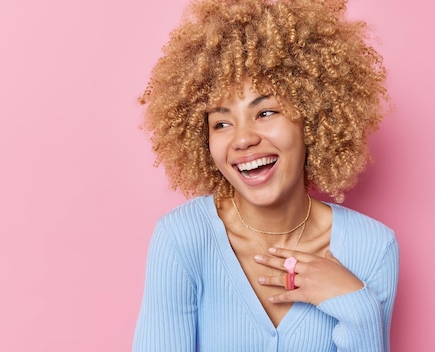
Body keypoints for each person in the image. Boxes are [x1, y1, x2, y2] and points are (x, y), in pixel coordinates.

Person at [132, 0, 399, 351]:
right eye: (221, 123)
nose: (243, 139)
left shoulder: (373, 249)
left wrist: (359, 308)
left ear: (314, 117)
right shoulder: (184, 239)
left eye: (266, 111)